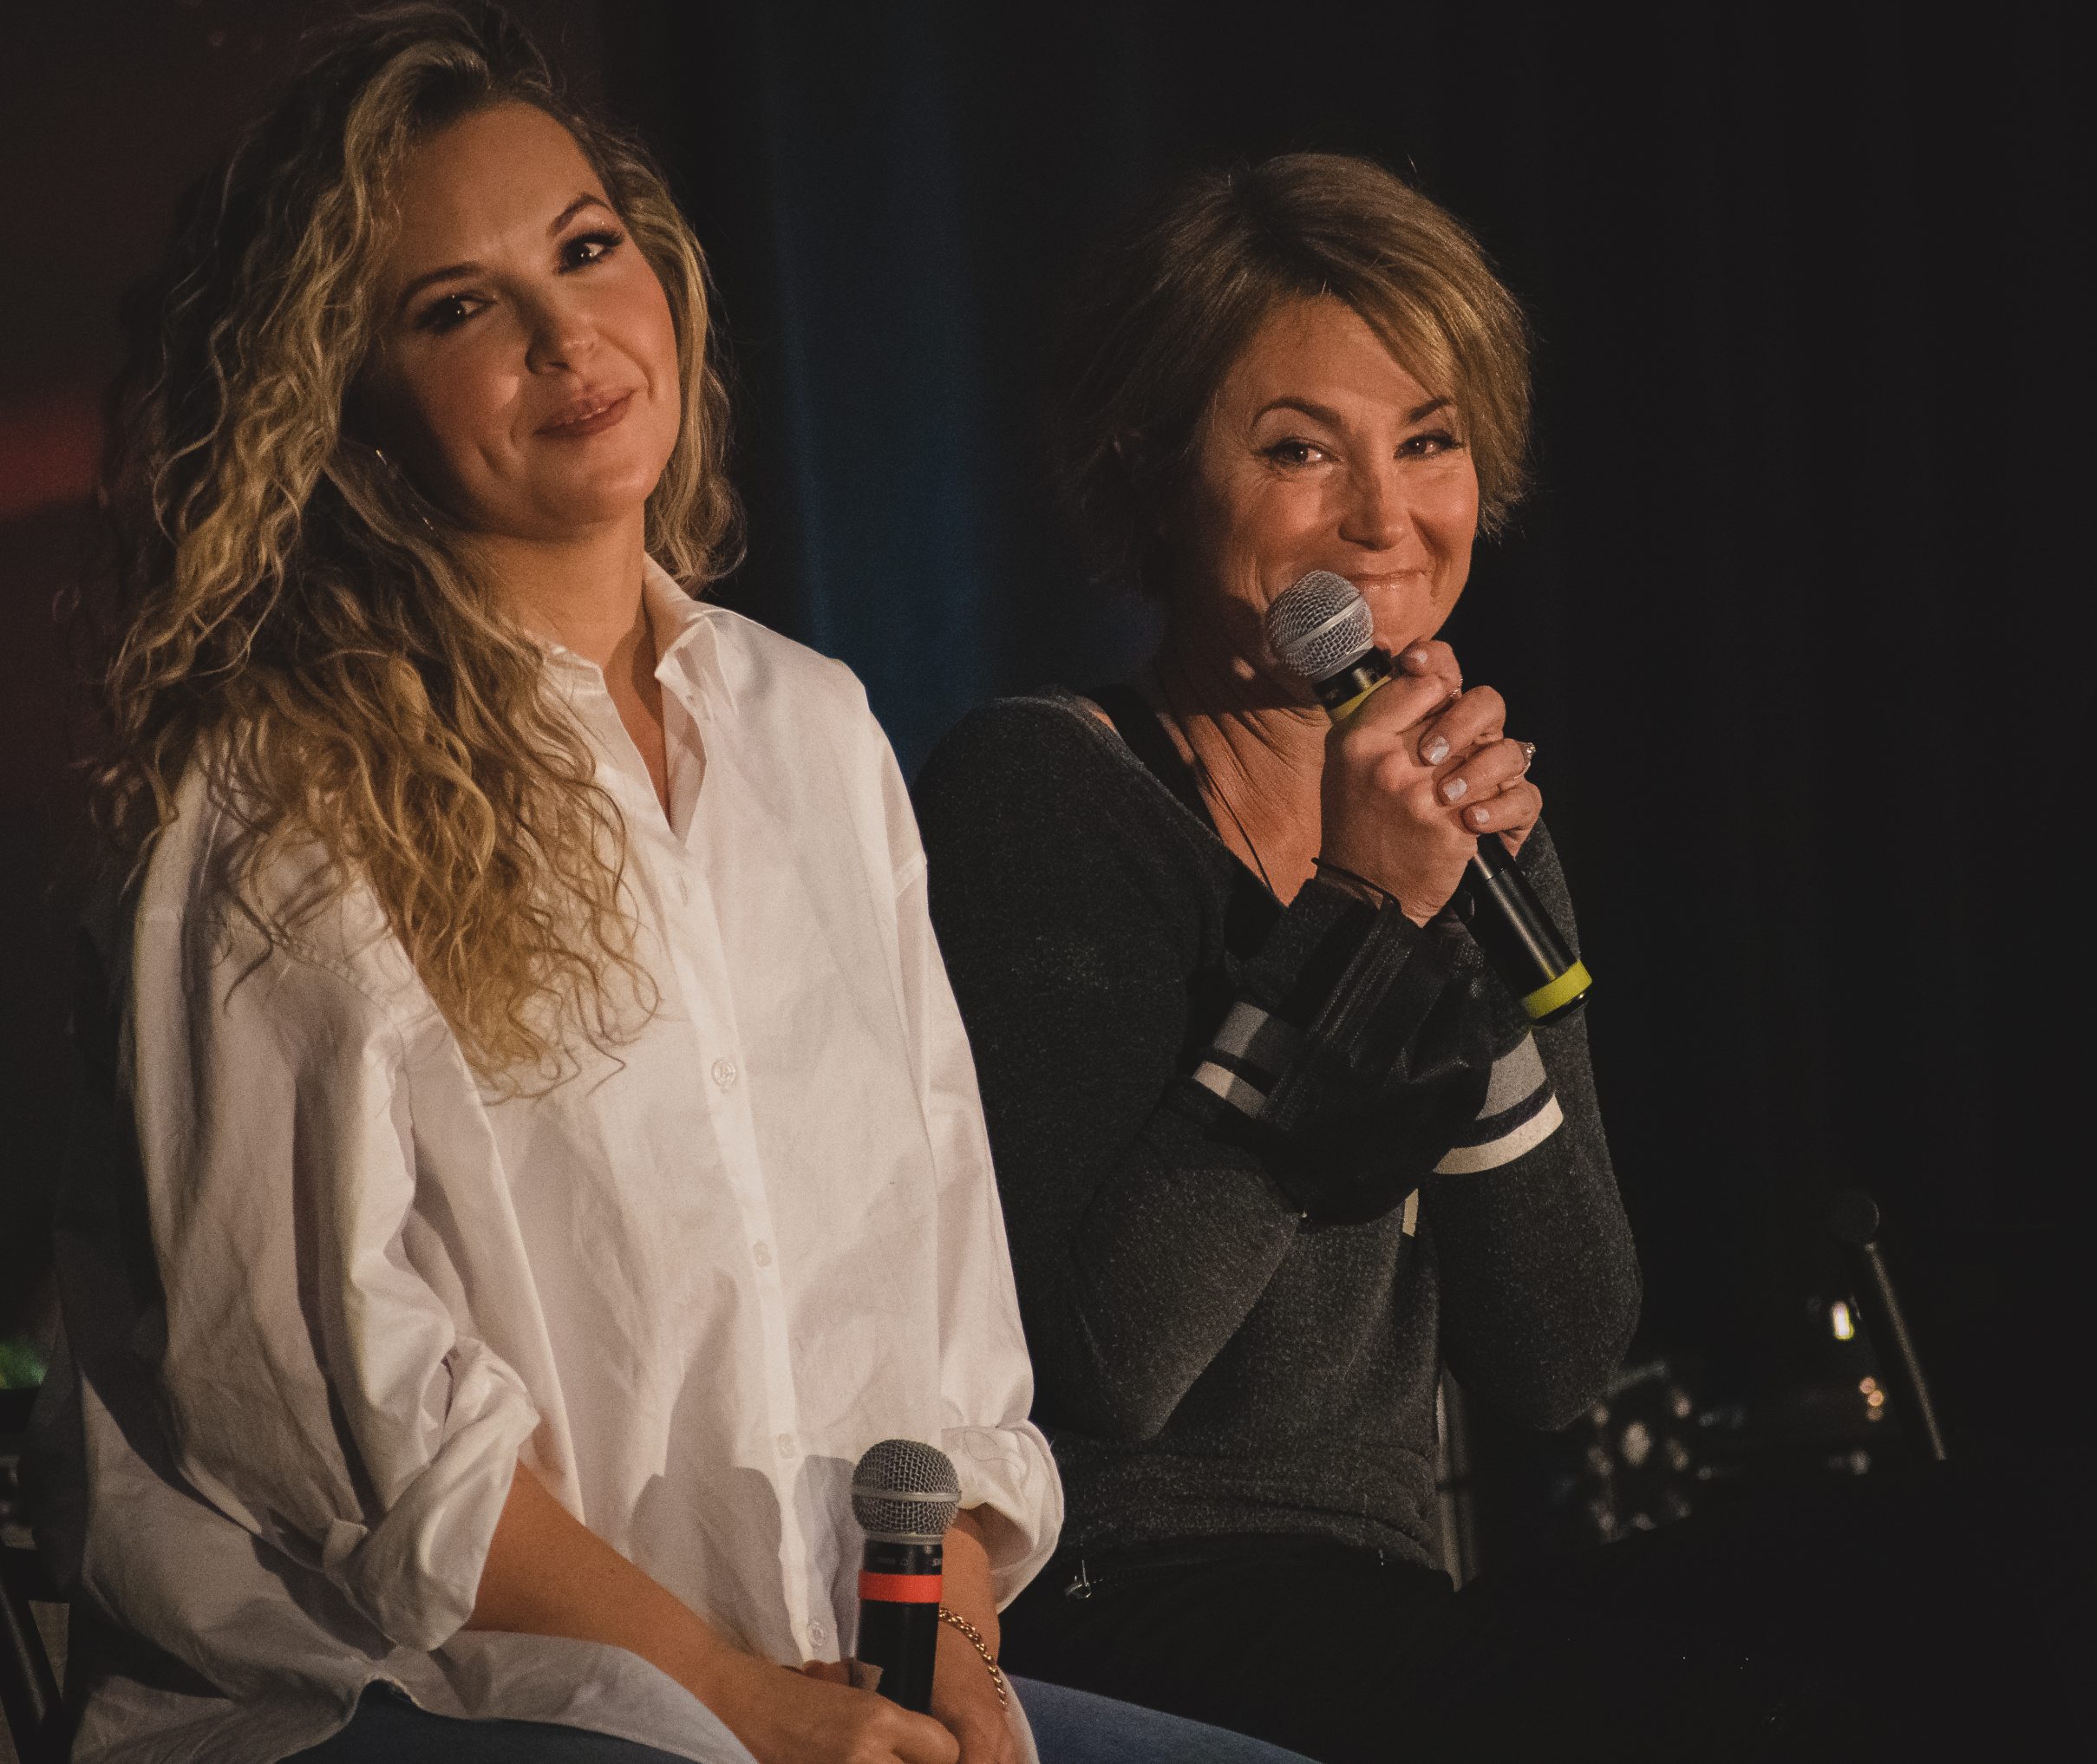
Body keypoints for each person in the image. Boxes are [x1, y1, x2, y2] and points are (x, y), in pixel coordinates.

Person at [33, 10, 1314, 1764]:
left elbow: (936, 1300)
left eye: (583, 249)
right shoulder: (274, 795)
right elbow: (330, 1416)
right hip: (398, 1696)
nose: (565, 332)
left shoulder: (812, 726)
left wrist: (939, 1652)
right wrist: (735, 1702)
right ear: (351, 406)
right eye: (457, 306)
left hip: (814, 1671)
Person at [912, 154, 2097, 1761]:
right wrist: (1358, 917)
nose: (1385, 517)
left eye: (1430, 441)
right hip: (1135, 1595)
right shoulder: (1047, 790)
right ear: (1153, 473)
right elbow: (1117, 1359)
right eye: (1302, 449)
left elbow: (1558, 1352)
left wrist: (1442, 913)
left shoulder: (1470, 827)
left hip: (1393, 1596)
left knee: (2054, 1550)